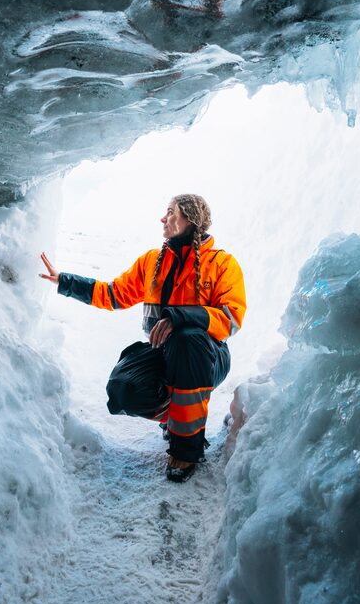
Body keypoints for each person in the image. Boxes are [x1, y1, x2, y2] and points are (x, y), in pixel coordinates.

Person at [40, 194, 246, 482]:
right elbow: (112, 294)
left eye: (171, 212)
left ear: (191, 218)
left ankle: (186, 449)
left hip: (207, 357)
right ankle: (178, 418)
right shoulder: (153, 262)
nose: (163, 219)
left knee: (187, 339)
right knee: (123, 390)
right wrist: (64, 281)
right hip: (163, 354)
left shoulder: (222, 263)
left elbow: (231, 317)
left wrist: (181, 317)